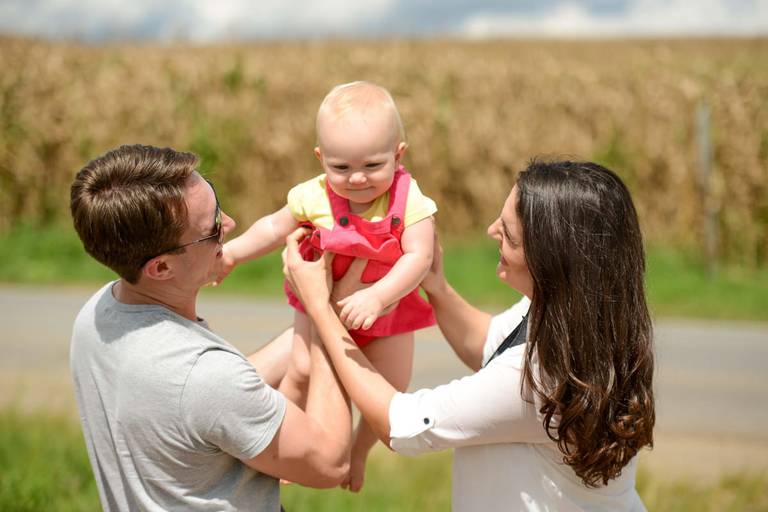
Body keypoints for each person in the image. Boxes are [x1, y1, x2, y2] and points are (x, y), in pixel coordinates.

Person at [284, 159, 655, 511]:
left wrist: (321, 310)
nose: (492, 230)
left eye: (508, 235)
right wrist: (436, 286)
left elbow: (404, 424)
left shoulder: (544, 376)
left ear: (551, 262)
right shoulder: (582, 321)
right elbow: (489, 342)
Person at [69, 144, 351, 512]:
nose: (231, 224)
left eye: (215, 200)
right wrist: (322, 317)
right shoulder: (204, 377)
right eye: (212, 227)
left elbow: (207, 398)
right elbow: (331, 463)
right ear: (161, 268)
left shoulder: (99, 313)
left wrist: (326, 316)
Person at [216, 81, 437, 491]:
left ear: (398, 154)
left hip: (387, 310)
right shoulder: (313, 195)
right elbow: (272, 227)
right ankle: (285, 448)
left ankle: (358, 448)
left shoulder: (410, 201)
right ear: (321, 159)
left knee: (390, 390)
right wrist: (232, 253)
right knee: (299, 370)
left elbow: (419, 257)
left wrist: (378, 296)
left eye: (373, 166)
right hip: (318, 300)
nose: (356, 179)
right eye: (341, 168)